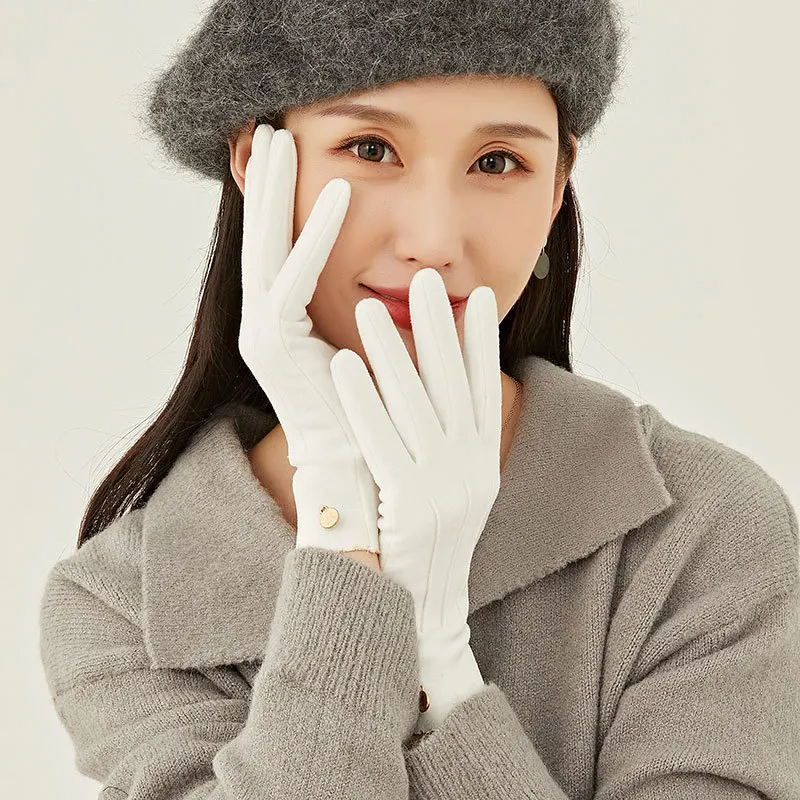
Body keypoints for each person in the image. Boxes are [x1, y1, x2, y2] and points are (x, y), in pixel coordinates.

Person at [38, 1, 800, 798]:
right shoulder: (127, 605)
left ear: (557, 186)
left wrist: (442, 669)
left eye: (498, 162)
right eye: (370, 148)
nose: (433, 241)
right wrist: (339, 518)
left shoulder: (702, 524)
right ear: (254, 165)